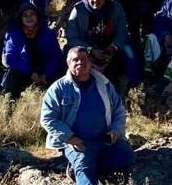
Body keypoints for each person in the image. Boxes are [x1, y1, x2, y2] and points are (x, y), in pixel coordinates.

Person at [40, 46, 135, 185]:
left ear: (90, 62)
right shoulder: (58, 89)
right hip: (78, 143)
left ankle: (84, 168)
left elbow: (118, 110)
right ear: (68, 63)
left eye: (84, 59)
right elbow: (48, 118)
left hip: (104, 139)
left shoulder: (104, 83)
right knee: (85, 168)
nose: (80, 62)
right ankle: (81, 167)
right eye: (75, 60)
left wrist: (115, 131)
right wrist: (69, 138)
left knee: (127, 156)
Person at [65, 0, 140, 87]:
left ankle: (134, 84)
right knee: (70, 52)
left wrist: (113, 47)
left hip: (110, 47)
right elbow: (71, 36)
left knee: (128, 49)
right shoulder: (78, 9)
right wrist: (90, 50)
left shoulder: (115, 8)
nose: (95, 0)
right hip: (87, 47)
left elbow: (122, 32)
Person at [1, 2, 64, 98]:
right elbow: (10, 58)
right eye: (25, 15)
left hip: (44, 71)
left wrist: (46, 74)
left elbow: (56, 56)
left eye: (32, 14)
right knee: (13, 73)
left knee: (61, 70)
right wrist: (30, 72)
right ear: (21, 19)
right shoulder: (13, 34)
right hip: (24, 70)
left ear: (37, 17)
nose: (29, 17)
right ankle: (11, 101)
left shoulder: (47, 33)